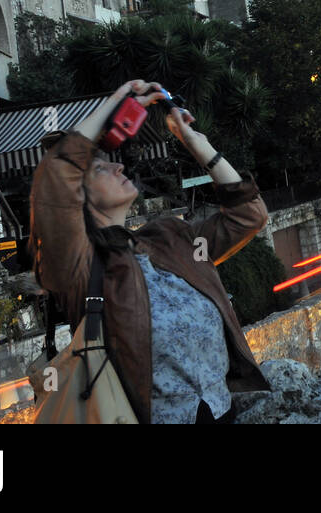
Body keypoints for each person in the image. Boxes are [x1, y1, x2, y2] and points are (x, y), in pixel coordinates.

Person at [28, 79, 271, 423]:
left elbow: (250, 215)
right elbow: (56, 175)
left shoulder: (170, 238)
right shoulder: (79, 268)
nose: (119, 166)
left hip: (220, 412)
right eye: (100, 168)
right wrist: (115, 103)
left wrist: (196, 144)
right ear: (78, 198)